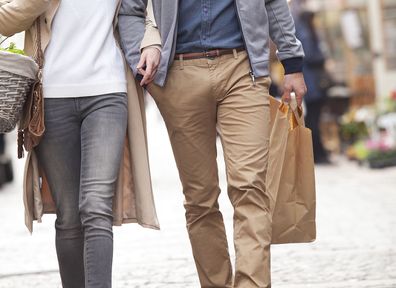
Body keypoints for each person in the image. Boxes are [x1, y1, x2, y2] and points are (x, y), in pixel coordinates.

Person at [118, 0, 307, 287]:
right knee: (200, 199)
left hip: (243, 71)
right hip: (180, 74)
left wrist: (292, 63)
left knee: (250, 186)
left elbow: (273, 3)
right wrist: (139, 61)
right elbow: (129, 9)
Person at [0, 0, 161, 287]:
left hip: (107, 92)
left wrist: (152, 41)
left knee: (96, 206)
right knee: (69, 216)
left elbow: (148, 9)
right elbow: (5, 19)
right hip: (51, 97)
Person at [294, 10, 331, 164]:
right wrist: (323, 57)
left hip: (312, 82)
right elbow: (309, 55)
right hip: (313, 83)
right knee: (313, 120)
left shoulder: (305, 31)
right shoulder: (306, 33)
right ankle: (317, 154)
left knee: (313, 119)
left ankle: (317, 153)